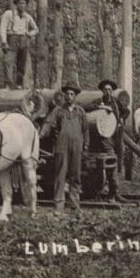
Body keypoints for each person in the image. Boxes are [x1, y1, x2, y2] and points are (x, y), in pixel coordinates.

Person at [39, 84, 89, 214]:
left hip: (77, 146)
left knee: (75, 176)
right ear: (64, 96)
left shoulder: (80, 111)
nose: (69, 96)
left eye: (72, 94)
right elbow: (49, 123)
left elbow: (86, 130)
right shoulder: (58, 110)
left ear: (75, 96)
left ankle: (74, 205)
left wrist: (86, 147)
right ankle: (58, 206)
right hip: (62, 146)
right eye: (67, 94)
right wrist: (41, 133)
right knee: (60, 175)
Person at [93, 79, 128, 203]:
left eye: (109, 89)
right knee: (111, 162)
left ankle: (115, 193)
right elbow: (88, 107)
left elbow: (126, 111)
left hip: (116, 136)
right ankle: (112, 194)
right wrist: (102, 107)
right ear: (102, 90)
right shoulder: (99, 101)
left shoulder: (116, 102)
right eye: (105, 89)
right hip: (104, 137)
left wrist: (122, 119)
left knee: (118, 162)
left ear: (112, 91)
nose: (108, 91)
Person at [0, 0, 39, 89]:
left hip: (23, 40)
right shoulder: (9, 14)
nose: (22, 5)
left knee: (21, 63)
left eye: (24, 3)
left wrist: (29, 34)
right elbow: (2, 27)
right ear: (16, 4)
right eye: (20, 3)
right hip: (12, 38)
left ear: (26, 5)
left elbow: (36, 29)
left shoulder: (27, 17)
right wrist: (4, 41)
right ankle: (7, 84)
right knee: (8, 61)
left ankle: (19, 85)